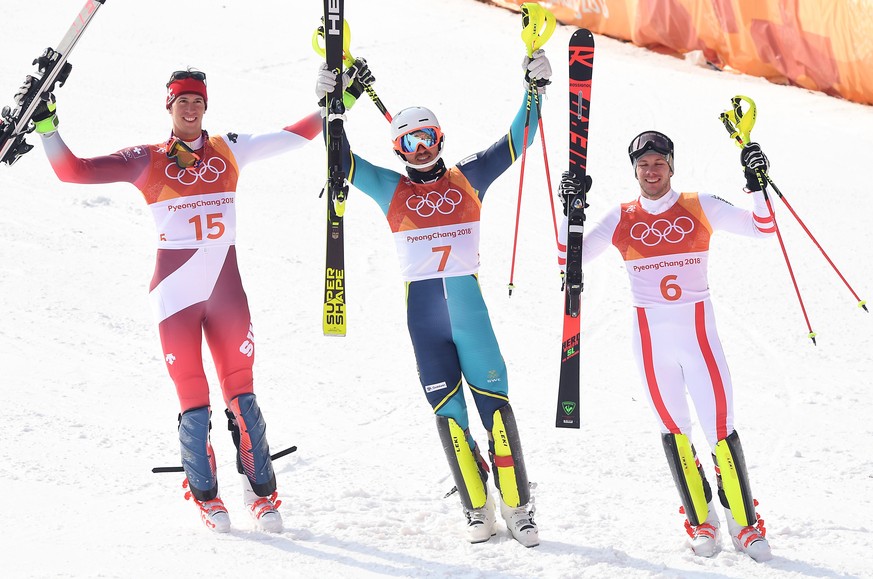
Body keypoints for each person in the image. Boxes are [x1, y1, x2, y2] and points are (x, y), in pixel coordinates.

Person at [18, 68, 323, 534]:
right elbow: (72, 171)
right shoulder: (147, 160)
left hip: (226, 294)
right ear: (169, 106)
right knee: (194, 405)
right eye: (182, 100)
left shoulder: (229, 149)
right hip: (175, 298)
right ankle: (207, 498)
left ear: (206, 105)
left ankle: (261, 495)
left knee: (244, 399)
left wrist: (334, 102)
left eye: (197, 99)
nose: (190, 107)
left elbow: (295, 135)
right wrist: (47, 126)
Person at [315, 49, 552, 547]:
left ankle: (518, 506)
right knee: (449, 415)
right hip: (425, 324)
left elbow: (517, 140)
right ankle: (476, 508)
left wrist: (535, 85)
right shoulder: (390, 189)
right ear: (399, 149)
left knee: (496, 410)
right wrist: (330, 107)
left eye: (427, 138)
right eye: (409, 141)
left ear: (439, 139)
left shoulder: (469, 178)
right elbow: (342, 161)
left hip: (471, 318)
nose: (420, 148)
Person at [558, 131, 776, 561]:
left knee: (720, 429)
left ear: (671, 165)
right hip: (652, 344)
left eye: (658, 162)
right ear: (634, 170)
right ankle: (702, 521)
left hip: (700, 340)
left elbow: (763, 228)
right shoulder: (621, 217)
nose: (651, 171)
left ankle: (745, 524)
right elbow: (569, 258)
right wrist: (571, 210)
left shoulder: (699, 205)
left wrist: (756, 184)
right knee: (675, 431)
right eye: (643, 165)